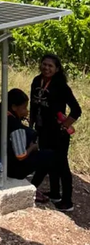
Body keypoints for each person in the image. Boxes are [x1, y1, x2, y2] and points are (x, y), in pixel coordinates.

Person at [0, 88, 54, 202]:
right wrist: (32, 148)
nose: (26, 110)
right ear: (14, 107)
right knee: (49, 155)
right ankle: (33, 187)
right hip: (12, 169)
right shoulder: (15, 127)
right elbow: (21, 156)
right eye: (24, 107)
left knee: (30, 133)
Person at [30, 53, 82, 212]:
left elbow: (76, 110)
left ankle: (67, 201)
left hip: (58, 133)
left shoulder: (60, 86)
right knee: (48, 161)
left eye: (50, 66)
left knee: (62, 166)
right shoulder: (36, 81)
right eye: (44, 64)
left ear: (57, 69)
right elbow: (33, 103)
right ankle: (54, 193)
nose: (46, 68)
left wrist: (64, 126)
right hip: (42, 129)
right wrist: (31, 125)